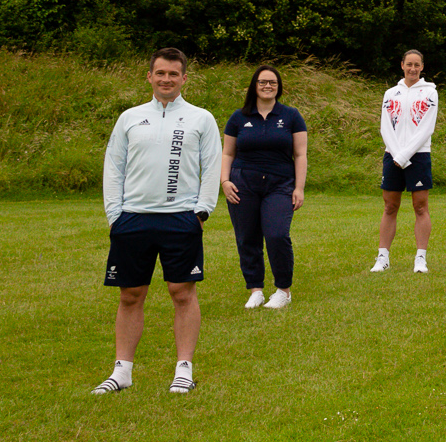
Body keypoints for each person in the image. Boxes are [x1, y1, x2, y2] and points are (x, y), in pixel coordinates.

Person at [92, 48, 221, 395]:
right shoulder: (130, 117)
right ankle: (122, 372)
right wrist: (115, 215)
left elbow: (212, 167)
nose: (166, 79)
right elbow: (114, 166)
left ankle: (184, 370)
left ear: (183, 79)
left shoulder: (201, 118)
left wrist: (201, 211)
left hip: (180, 219)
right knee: (130, 295)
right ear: (149, 76)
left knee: (182, 293)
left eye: (173, 74)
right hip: (132, 219)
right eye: (160, 73)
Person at [221, 64, 307, 311]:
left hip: (280, 184)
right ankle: (255, 289)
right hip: (242, 183)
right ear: (254, 86)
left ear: (278, 87)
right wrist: (225, 181)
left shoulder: (291, 116)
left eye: (272, 82)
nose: (268, 86)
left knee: (277, 234)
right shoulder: (239, 117)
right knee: (247, 237)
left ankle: (283, 291)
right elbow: (227, 153)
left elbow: (300, 155)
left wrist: (299, 188)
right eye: (262, 82)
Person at [373, 50, 437, 274]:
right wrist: (396, 155)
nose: (412, 68)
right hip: (393, 155)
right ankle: (383, 257)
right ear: (402, 65)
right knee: (390, 206)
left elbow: (426, 128)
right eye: (408, 64)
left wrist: (405, 155)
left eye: (416, 65)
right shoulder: (391, 93)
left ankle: (420, 258)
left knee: (420, 206)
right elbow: (385, 126)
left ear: (421, 67)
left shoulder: (430, 93)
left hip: (418, 156)